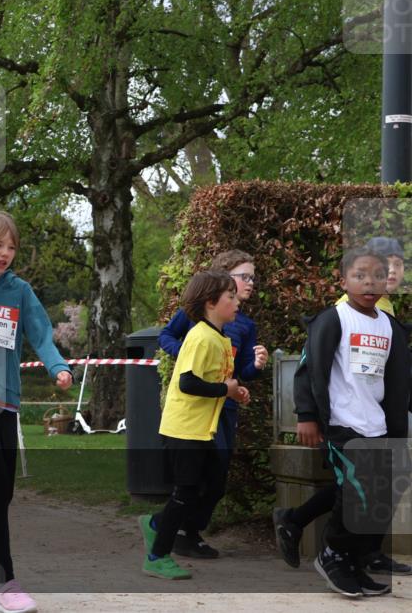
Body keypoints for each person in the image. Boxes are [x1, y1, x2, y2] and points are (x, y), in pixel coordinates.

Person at [273, 236, 410, 575]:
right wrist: (307, 415)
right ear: (344, 279)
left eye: (383, 272)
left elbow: (395, 375)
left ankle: (360, 555)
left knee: (374, 486)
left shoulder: (387, 319)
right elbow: (310, 366)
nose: (373, 280)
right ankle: (336, 554)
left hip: (378, 422)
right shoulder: (336, 317)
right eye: (362, 274)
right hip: (344, 422)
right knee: (358, 489)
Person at [0, 211, 73, 612]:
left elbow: (41, 333)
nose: (5, 253)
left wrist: (57, 366)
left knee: (3, 492)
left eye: (12, 247)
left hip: (7, 400)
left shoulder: (19, 290)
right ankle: (6, 583)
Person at [138, 270, 250, 580]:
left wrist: (234, 389)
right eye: (231, 296)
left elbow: (215, 379)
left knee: (214, 485)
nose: (237, 300)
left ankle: (157, 524)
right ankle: (157, 555)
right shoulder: (201, 337)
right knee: (186, 492)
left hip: (204, 429)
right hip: (184, 429)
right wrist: (224, 390)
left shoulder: (219, 337)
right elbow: (188, 382)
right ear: (212, 302)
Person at [157, 249, 268, 557]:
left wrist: (255, 367)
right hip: (196, 404)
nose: (250, 283)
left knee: (215, 480)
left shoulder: (243, 324)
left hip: (224, 406)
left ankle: (174, 527)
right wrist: (188, 355)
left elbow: (239, 371)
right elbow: (166, 336)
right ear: (223, 279)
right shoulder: (199, 317)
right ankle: (178, 533)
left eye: (253, 278)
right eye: (244, 276)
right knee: (194, 478)